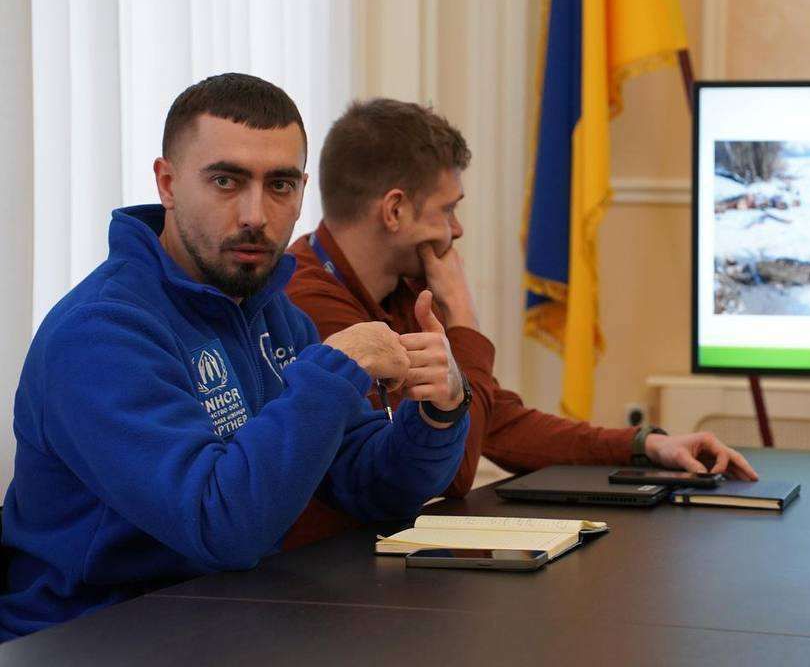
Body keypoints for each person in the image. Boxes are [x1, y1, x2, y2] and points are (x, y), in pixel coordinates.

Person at [0, 75, 470, 640]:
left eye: (280, 185)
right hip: (87, 636)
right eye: (226, 180)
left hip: (223, 620)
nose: (256, 214)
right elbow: (218, 523)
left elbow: (372, 488)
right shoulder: (100, 334)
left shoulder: (271, 314)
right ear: (167, 183)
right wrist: (335, 368)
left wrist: (438, 409)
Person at [282, 98, 757, 547]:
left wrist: (645, 444)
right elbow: (454, 472)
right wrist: (463, 322)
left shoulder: (401, 288)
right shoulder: (308, 302)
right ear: (395, 210)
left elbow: (499, 422)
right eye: (448, 209)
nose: (458, 228)